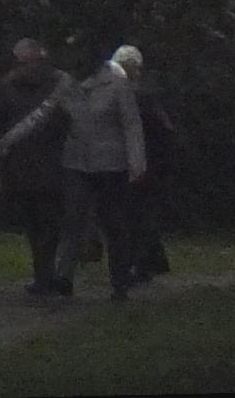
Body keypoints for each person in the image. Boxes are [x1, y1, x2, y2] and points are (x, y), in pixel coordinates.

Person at [56, 41, 148, 298]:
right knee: (73, 218)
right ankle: (63, 275)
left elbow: (131, 124)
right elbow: (49, 113)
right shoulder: (67, 85)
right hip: (76, 161)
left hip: (110, 164)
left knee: (114, 222)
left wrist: (136, 163)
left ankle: (120, 279)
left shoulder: (117, 85)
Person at [0, 39, 72, 295]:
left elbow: (73, 122)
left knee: (48, 224)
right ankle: (44, 274)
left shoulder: (59, 84)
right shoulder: (8, 86)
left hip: (51, 165)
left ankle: (48, 274)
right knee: (35, 224)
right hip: (25, 167)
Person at [115, 44, 175, 276]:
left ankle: (142, 263)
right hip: (139, 162)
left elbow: (162, 132)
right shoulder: (140, 97)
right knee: (138, 216)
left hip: (143, 164)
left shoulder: (140, 98)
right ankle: (149, 262)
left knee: (137, 216)